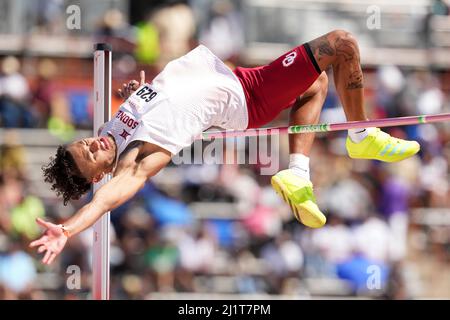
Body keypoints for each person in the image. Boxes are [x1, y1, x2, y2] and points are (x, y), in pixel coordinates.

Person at [30, 30, 420, 264]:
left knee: (315, 84)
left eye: (85, 143)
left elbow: (154, 104)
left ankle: (299, 173)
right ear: (100, 173)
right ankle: (359, 135)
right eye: (92, 154)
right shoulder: (137, 159)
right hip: (249, 99)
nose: (95, 143)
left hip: (237, 77)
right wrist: (67, 229)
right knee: (341, 43)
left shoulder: (111, 130)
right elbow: (105, 201)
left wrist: (140, 94)